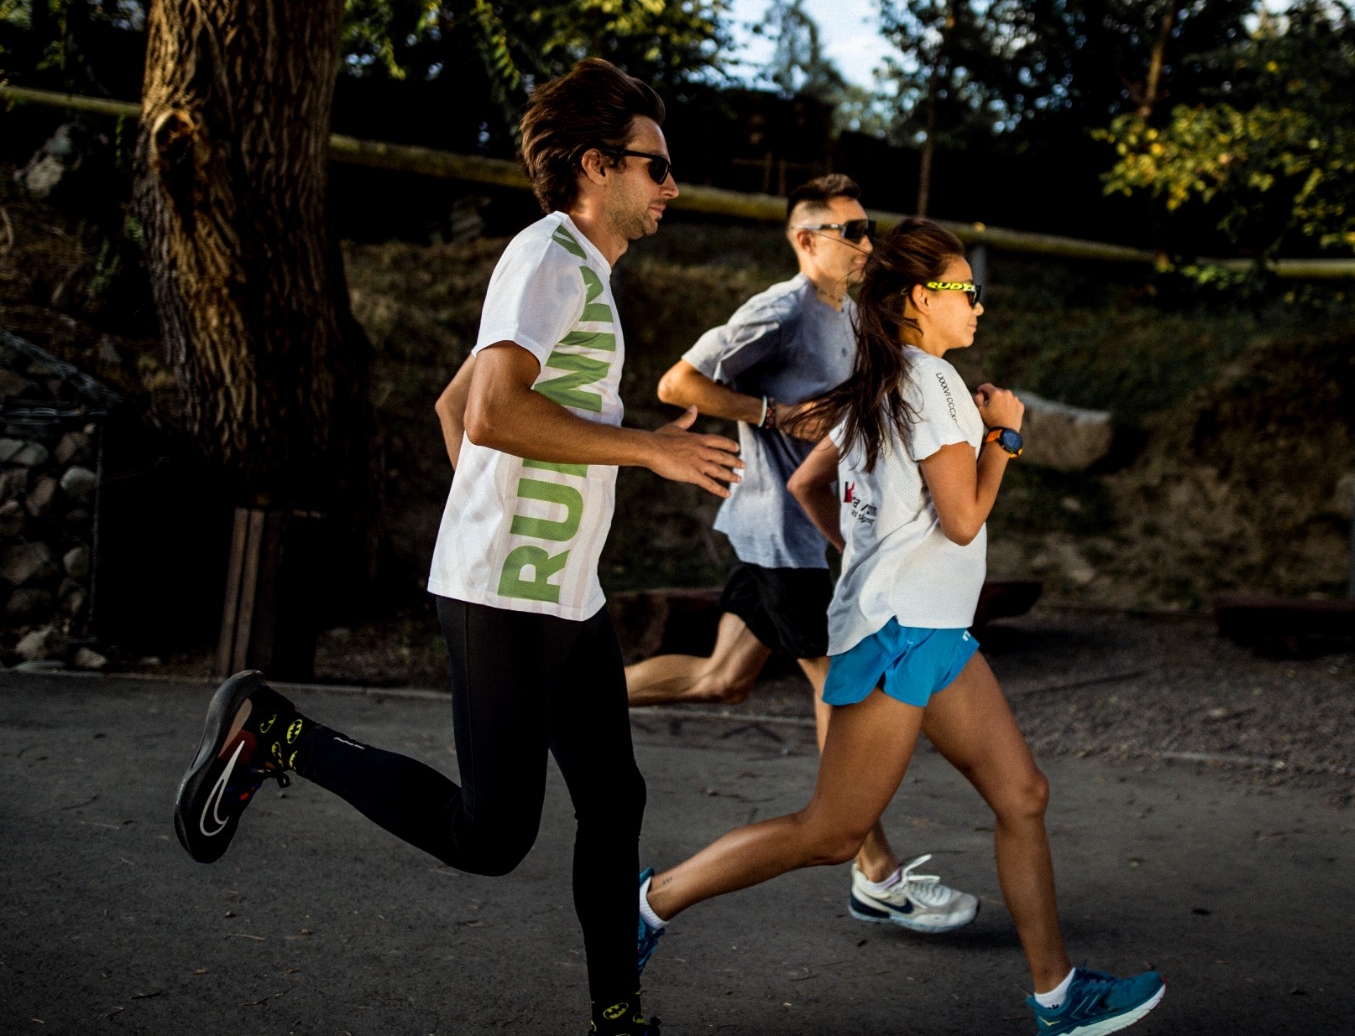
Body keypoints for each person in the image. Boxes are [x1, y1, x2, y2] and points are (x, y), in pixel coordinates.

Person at [173, 58, 742, 1036]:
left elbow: (454, 405)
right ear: (598, 165)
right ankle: (276, 731)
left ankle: (617, 1015)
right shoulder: (548, 257)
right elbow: (486, 412)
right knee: (490, 836)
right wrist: (646, 450)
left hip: (564, 591)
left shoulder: (582, 274)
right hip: (506, 597)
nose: (673, 187)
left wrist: (500, 498)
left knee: (614, 800)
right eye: (656, 167)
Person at [634, 219, 1166, 1035]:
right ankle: (649, 903)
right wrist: (1006, 436)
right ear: (921, 298)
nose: (978, 307)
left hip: (933, 631)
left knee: (1023, 795)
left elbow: (810, 486)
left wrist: (873, 557)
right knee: (830, 833)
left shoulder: (879, 381)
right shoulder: (934, 384)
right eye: (966, 291)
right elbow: (964, 518)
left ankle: (1058, 996)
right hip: (899, 636)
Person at [625, 173, 979, 932]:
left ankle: (559, 700)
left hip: (795, 534)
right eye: (850, 231)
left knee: (722, 679)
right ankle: (875, 872)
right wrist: (775, 413)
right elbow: (678, 383)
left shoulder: (850, 313)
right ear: (806, 240)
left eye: (868, 228)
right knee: (836, 689)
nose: (865, 243)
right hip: (784, 534)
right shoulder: (781, 311)